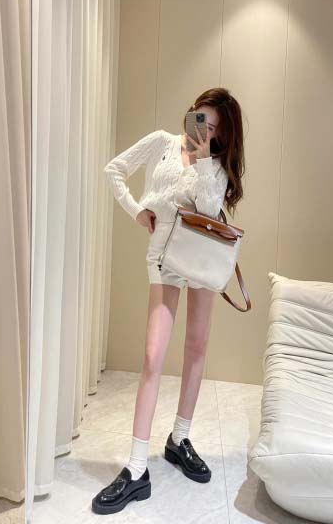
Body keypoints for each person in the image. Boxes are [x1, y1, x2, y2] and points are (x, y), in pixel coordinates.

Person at [91, 87, 245, 515]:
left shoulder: (215, 166)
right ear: (192, 112)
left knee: (196, 347)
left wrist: (203, 160)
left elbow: (209, 210)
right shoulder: (161, 142)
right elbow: (114, 170)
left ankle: (179, 438)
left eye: (214, 127)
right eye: (201, 117)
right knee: (152, 355)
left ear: (222, 135)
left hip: (200, 255)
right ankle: (136, 468)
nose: (204, 129)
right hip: (163, 256)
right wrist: (136, 210)